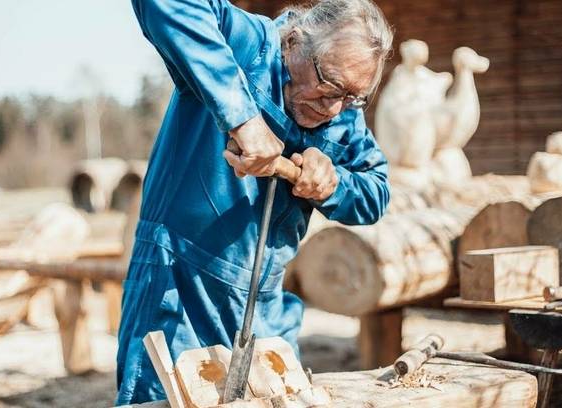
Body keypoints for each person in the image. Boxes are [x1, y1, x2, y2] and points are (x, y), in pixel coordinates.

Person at [118, 0, 393, 403]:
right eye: (330, 86)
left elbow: (377, 190)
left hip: (267, 307)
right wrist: (243, 118)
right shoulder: (250, 45)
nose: (333, 107)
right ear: (295, 42)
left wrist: (333, 184)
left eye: (353, 97)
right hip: (180, 286)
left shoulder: (343, 114)